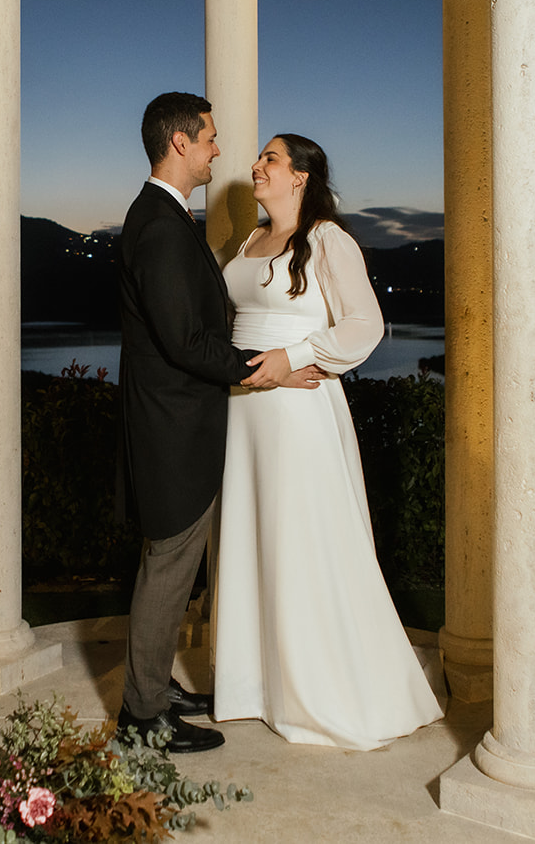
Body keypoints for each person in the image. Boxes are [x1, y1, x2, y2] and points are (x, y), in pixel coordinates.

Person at [213, 133, 444, 749]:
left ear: (301, 177)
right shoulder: (250, 241)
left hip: (296, 407)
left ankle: (316, 689)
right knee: (252, 533)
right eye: (260, 157)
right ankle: (254, 685)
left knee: (300, 535)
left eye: (270, 158)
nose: (256, 165)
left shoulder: (327, 239)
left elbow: (365, 324)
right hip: (243, 407)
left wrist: (292, 357)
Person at [115, 93, 322, 754]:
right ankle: (143, 717)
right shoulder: (160, 226)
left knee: (171, 567)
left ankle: (154, 686)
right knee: (169, 568)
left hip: (176, 422)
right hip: (173, 429)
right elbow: (186, 342)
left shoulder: (164, 217)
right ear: (180, 143)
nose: (218, 150)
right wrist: (269, 369)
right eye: (209, 137)